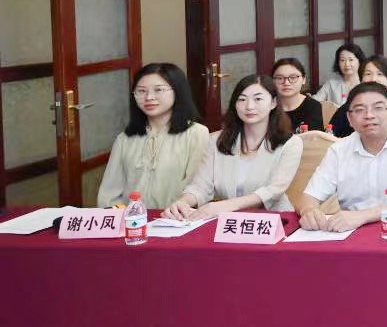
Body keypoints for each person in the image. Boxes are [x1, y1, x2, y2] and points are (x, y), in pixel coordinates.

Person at [297, 83, 387, 231]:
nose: (369, 115)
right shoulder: (339, 150)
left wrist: (362, 216)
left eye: (378, 108)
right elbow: (309, 197)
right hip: (353, 232)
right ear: (349, 118)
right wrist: (309, 211)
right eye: (360, 110)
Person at [164, 74, 301, 218]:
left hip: (275, 220)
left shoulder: (291, 143)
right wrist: (183, 202)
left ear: (273, 103)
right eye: (242, 99)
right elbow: (201, 186)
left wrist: (226, 206)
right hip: (228, 222)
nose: (249, 106)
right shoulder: (217, 140)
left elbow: (274, 190)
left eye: (258, 99)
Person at [97, 63, 209, 208]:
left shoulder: (196, 134)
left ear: (178, 91)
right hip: (131, 219)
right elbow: (108, 195)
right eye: (141, 91)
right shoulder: (124, 139)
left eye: (159, 90)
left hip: (176, 218)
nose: (149, 97)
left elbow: (198, 188)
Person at [328, 55, 387, 137]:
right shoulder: (353, 102)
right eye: (368, 74)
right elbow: (330, 131)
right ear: (361, 79)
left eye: (379, 74)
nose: (373, 79)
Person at [271, 58, 324, 134]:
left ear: (304, 79)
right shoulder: (267, 106)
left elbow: (314, 138)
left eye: (293, 77)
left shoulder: (313, 106)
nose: (286, 83)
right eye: (280, 78)